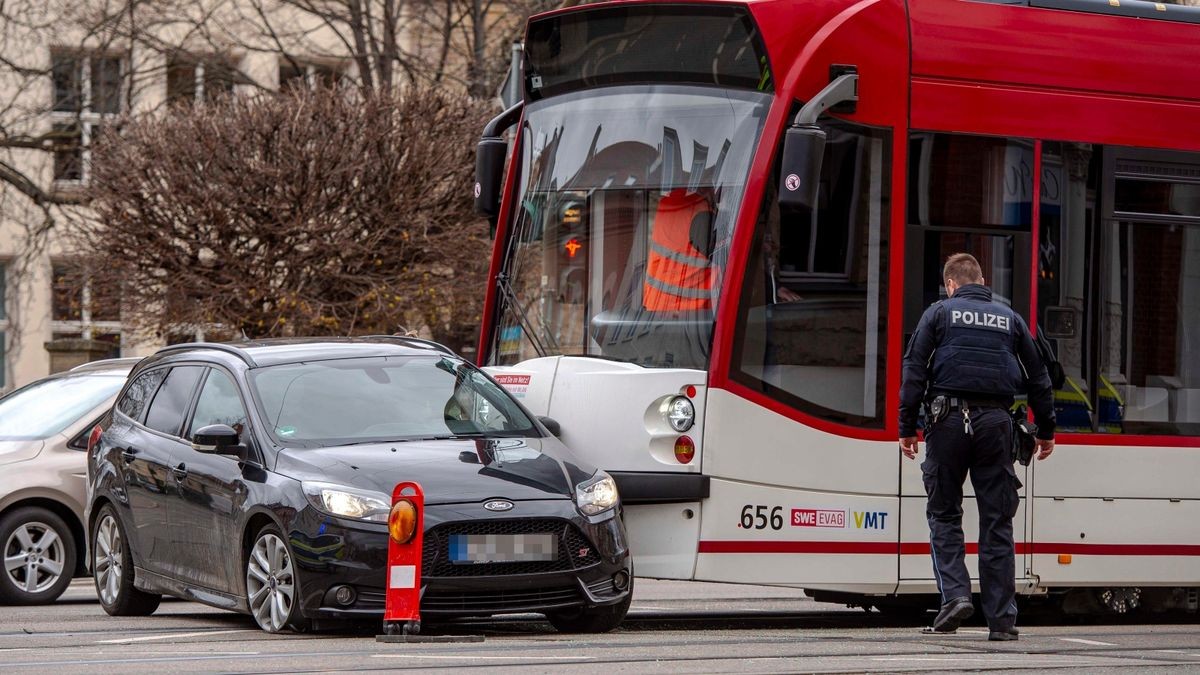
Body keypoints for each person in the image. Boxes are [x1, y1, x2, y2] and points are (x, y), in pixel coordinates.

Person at [898, 253, 1056, 641]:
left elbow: (914, 369)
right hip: (996, 425)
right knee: (997, 522)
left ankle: (955, 597)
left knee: (944, 513)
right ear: (982, 281)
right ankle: (1001, 622)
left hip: (946, 422)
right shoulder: (1010, 318)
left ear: (951, 284)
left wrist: (906, 428)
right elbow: (1039, 376)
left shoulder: (938, 314)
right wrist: (1047, 430)